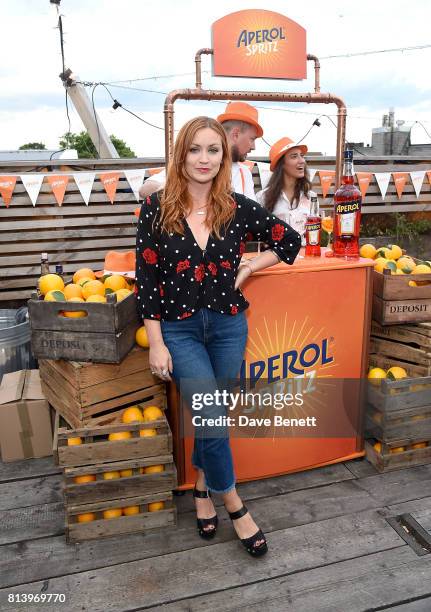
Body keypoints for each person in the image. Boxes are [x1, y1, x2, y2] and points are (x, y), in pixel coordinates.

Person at [135, 116, 301, 557]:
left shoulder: (236, 205)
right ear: (181, 155)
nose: (204, 159)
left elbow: (290, 241)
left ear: (223, 156)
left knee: (214, 416)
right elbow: (147, 281)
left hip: (229, 326)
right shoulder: (156, 210)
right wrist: (156, 343)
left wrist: (247, 268)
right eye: (195, 149)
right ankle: (235, 506)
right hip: (180, 330)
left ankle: (203, 488)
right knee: (211, 416)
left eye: (213, 150)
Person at [139, 101, 262, 201]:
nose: (253, 147)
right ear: (235, 134)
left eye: (213, 150)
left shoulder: (244, 173)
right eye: (252, 139)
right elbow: (145, 189)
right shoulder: (191, 166)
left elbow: (253, 216)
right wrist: (182, 191)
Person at [256, 137, 313, 245]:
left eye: (302, 156)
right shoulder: (262, 197)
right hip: (275, 259)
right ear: (281, 164)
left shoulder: (311, 197)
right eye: (294, 156)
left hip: (306, 258)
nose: (302, 161)